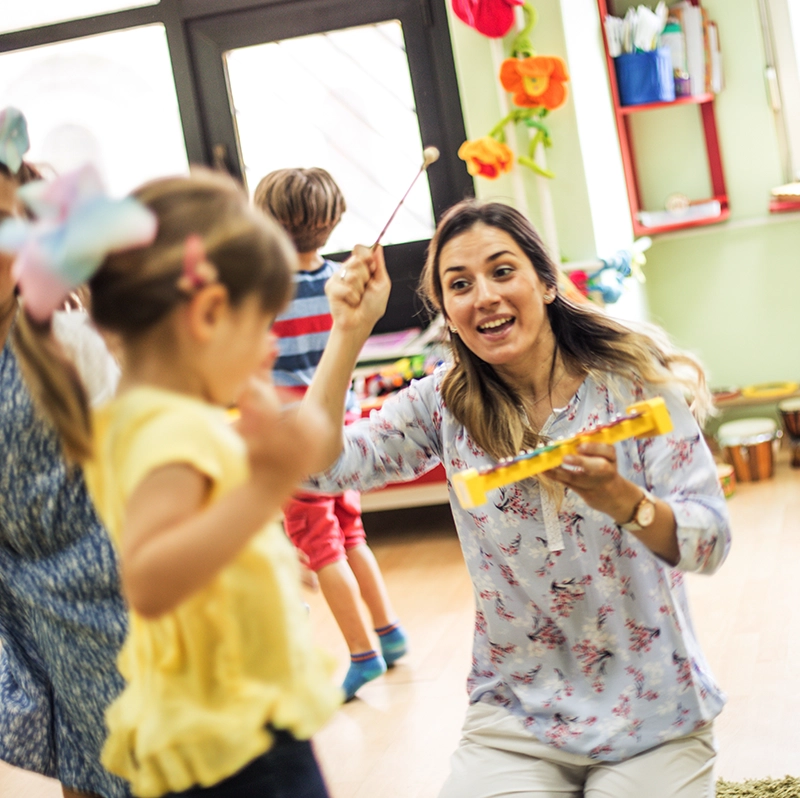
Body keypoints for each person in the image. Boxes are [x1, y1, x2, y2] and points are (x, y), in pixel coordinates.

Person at [300, 199, 731, 798]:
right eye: (460, 284)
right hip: (515, 717)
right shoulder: (442, 405)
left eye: (503, 271)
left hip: (655, 708)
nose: (484, 296)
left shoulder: (634, 383)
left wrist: (627, 502)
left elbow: (710, 541)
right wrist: (347, 332)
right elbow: (314, 472)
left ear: (546, 282)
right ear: (448, 313)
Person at [4, 164, 344, 797]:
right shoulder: (165, 432)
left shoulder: (152, 419)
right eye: (261, 326)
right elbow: (151, 577)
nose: (270, 350)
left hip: (225, 719)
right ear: (210, 313)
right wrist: (266, 484)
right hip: (232, 739)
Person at [0, 107, 130, 798]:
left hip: (101, 582)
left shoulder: (65, 341)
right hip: (19, 595)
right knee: (75, 752)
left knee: (123, 754)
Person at [253, 167, 408, 701]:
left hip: (294, 440)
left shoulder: (262, 290)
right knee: (350, 533)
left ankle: (362, 656)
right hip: (343, 435)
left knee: (320, 549)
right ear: (335, 220)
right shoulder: (343, 282)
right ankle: (390, 633)